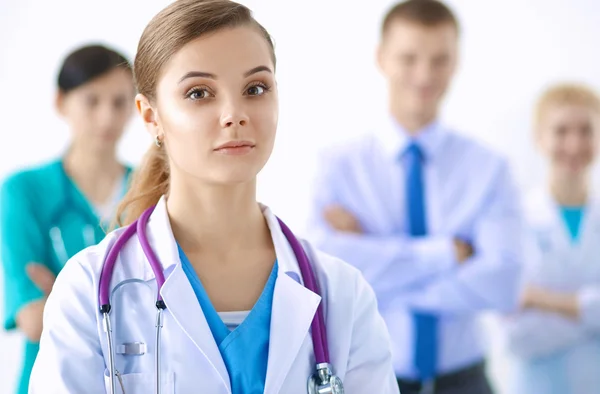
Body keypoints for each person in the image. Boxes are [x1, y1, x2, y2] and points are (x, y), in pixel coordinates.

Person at [28, 1, 399, 393]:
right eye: (199, 93)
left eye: (255, 88)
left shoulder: (341, 293)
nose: (234, 114)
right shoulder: (89, 288)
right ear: (151, 117)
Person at [305, 1, 524, 393]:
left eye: (440, 60)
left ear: (457, 62)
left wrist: (376, 270)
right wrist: (445, 255)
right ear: (381, 58)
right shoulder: (339, 165)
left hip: (466, 380)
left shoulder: (490, 168)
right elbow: (322, 272)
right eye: (409, 58)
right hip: (367, 377)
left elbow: (503, 282)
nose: (424, 75)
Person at [0, 44, 134, 394]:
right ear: (61, 102)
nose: (107, 118)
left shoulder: (154, 191)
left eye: (120, 102)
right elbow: (32, 319)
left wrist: (62, 297)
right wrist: (127, 310)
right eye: (92, 101)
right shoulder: (23, 191)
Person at [500, 83, 600, 394]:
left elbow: (523, 303)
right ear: (538, 138)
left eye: (586, 130)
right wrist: (591, 314)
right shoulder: (514, 219)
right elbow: (517, 337)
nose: (574, 144)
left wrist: (539, 298)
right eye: (561, 131)